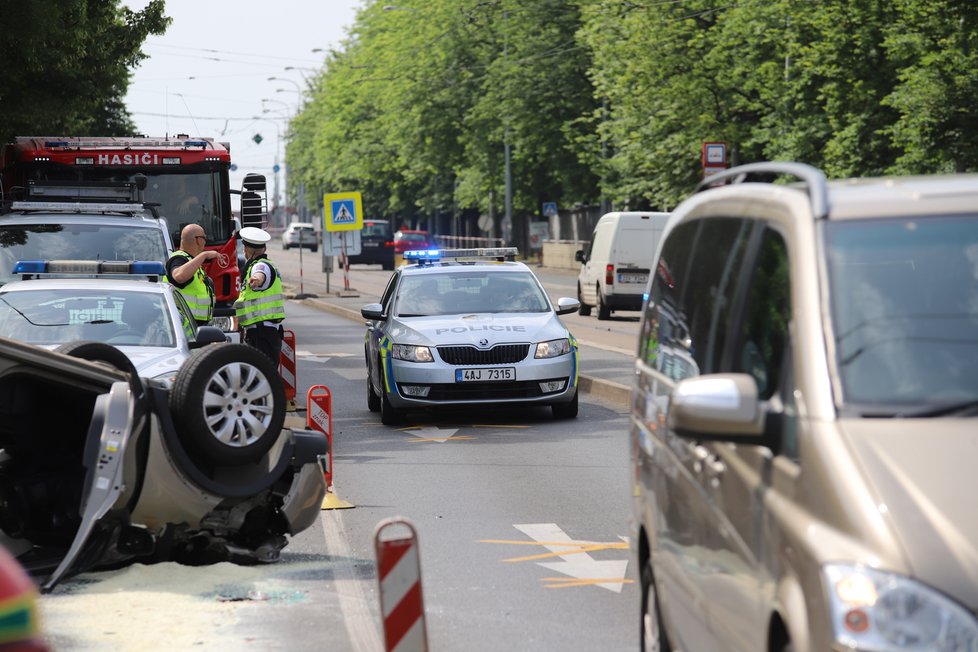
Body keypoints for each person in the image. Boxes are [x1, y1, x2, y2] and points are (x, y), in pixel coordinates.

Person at [235, 226, 285, 362]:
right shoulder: (265, 264)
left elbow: (260, 273)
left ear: (245, 249)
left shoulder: (260, 265)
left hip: (262, 333)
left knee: (264, 374)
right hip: (261, 332)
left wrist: (256, 279)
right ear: (265, 249)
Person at [164, 224, 218, 326]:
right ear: (198, 240)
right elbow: (179, 276)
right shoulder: (179, 258)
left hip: (194, 325)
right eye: (204, 238)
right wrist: (204, 255)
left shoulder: (191, 261)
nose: (205, 242)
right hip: (184, 327)